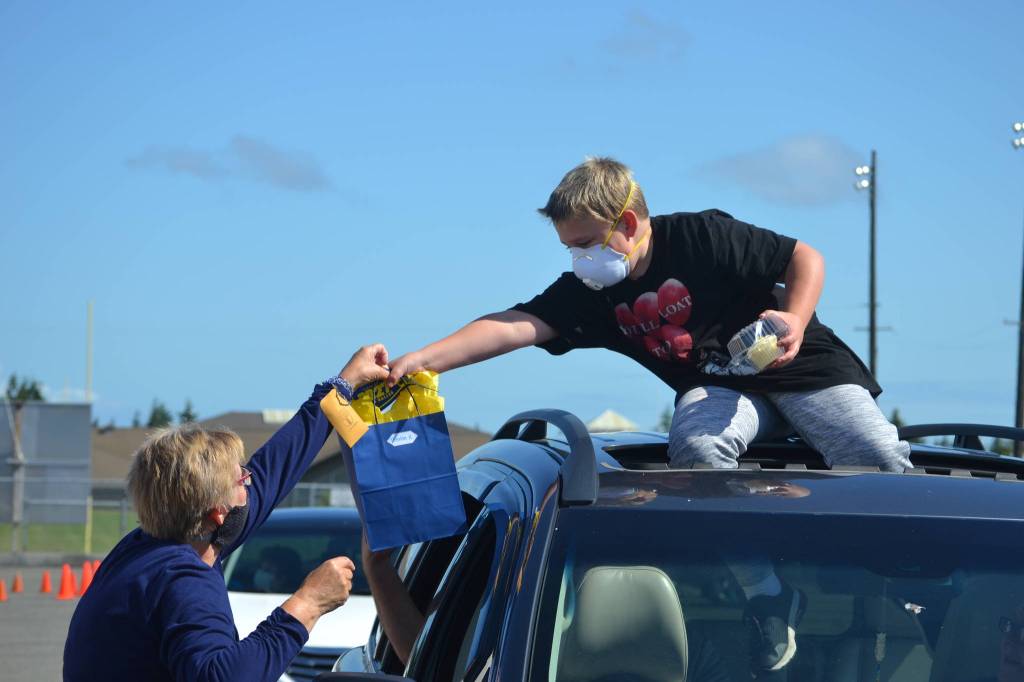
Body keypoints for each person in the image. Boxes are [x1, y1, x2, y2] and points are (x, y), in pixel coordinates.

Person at [385, 157, 912, 673]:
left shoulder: (700, 238)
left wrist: (794, 320)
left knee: (875, 453)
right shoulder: (592, 295)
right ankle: (769, 594)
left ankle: (917, 584)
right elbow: (513, 325)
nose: (579, 261)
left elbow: (805, 258)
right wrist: (421, 360)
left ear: (629, 224)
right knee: (698, 449)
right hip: (723, 388)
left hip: (804, 371)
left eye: (586, 244)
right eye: (570, 249)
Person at [63, 345, 390, 682]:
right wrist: (308, 603)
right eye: (241, 480)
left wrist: (342, 385)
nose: (250, 481)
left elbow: (274, 469)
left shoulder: (151, 546)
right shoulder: (183, 579)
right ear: (218, 513)